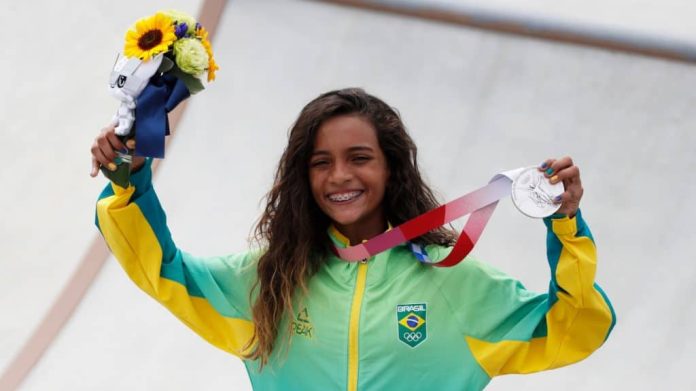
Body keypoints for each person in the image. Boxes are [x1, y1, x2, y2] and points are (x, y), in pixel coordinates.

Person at [90, 88, 615, 390]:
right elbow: (162, 270)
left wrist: (564, 224)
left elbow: (575, 328)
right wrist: (129, 178)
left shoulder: (455, 282)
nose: (340, 176)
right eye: (321, 163)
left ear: (392, 169)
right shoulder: (267, 282)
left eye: (359, 158)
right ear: (304, 178)